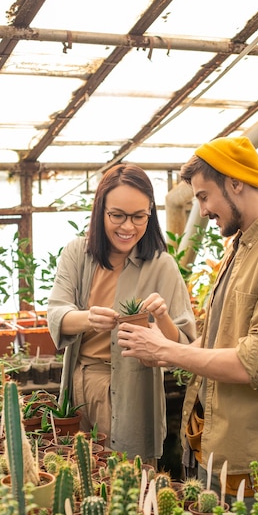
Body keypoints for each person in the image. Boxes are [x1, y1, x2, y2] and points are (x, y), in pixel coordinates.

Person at [118, 136, 258, 505]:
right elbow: (216, 344)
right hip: (215, 443)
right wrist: (164, 341)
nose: (203, 209)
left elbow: (254, 364)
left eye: (203, 196)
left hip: (255, 459)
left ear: (234, 182)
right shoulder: (241, 247)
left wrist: (167, 352)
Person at [47, 163, 196, 463]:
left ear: (150, 214)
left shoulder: (162, 265)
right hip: (78, 384)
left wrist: (163, 317)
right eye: (117, 216)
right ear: (100, 210)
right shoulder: (78, 254)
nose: (128, 227)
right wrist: (88, 318)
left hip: (132, 391)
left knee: (130, 481)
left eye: (139, 216)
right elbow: (57, 312)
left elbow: (183, 343)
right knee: (78, 478)